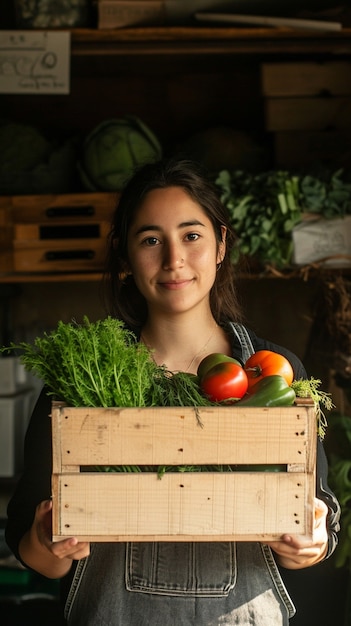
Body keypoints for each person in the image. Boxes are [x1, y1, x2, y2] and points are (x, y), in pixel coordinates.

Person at [6, 157, 340, 625]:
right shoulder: (81, 378)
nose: (173, 259)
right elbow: (31, 541)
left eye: (191, 235)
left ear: (221, 244)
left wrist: (311, 540)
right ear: (125, 256)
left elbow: (317, 518)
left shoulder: (274, 373)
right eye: (150, 240)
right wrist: (48, 542)